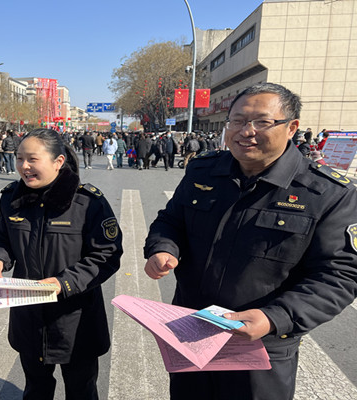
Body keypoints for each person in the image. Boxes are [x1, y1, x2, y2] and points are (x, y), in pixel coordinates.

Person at [143, 83, 357, 400]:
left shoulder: (328, 193)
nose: (247, 131)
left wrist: (275, 318)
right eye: (239, 121)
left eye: (261, 122)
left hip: (260, 348)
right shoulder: (204, 170)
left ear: (291, 128)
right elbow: (171, 220)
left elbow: (339, 275)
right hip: (193, 330)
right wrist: (164, 247)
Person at [0, 128, 122, 400]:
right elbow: (0, 236)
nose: (23, 166)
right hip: (29, 317)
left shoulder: (87, 202)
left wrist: (64, 282)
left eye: (32, 159)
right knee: (36, 389)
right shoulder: (11, 198)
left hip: (75, 319)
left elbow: (107, 254)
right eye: (19, 158)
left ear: (58, 162)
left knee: (81, 390)